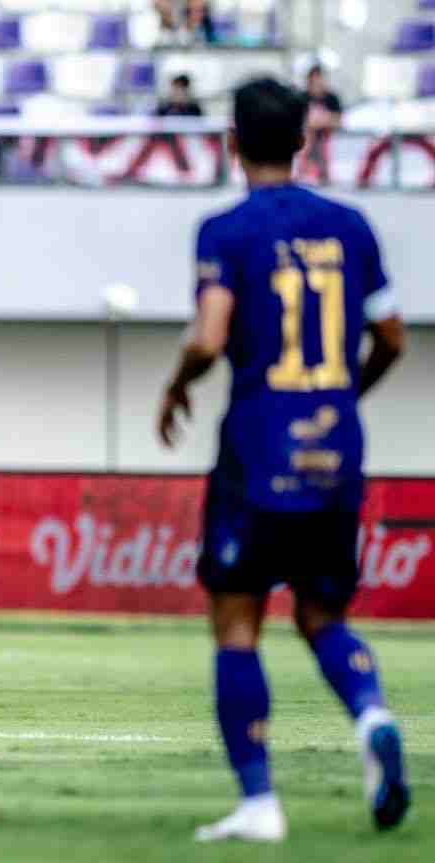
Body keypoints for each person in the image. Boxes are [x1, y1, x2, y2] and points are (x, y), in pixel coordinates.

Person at [157, 78, 410, 843]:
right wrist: (341, 395)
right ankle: (371, 716)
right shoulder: (354, 226)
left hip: (257, 445)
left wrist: (175, 385)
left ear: (232, 143)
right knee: (322, 613)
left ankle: (260, 802)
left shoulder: (225, 229)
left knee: (237, 620)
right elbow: (394, 337)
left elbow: (207, 336)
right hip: (337, 447)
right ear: (305, 140)